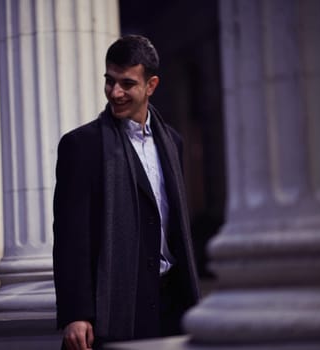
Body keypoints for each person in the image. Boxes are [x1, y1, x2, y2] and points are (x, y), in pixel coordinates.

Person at [52, 35, 200, 349]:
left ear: (151, 85)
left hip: (173, 302)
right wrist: (76, 314)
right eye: (110, 81)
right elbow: (70, 237)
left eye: (127, 84)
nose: (115, 92)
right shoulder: (81, 146)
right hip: (119, 306)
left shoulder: (173, 142)